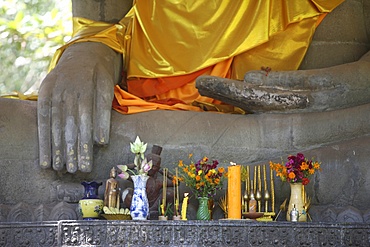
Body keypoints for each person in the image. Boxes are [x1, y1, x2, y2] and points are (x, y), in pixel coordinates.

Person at [37, 0, 370, 173]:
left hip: (320, 76)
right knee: (15, 134)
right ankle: (281, 154)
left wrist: (356, 83)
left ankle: (291, 150)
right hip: (154, 102)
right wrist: (88, 52)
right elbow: (100, 23)